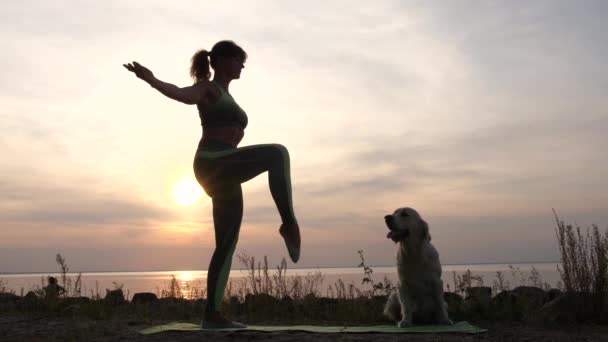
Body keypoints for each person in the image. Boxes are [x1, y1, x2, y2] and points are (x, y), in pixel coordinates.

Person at [124, 40, 301, 329]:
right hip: (213, 161)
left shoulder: (229, 97)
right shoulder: (208, 88)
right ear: (220, 60)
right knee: (277, 153)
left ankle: (213, 314)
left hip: (227, 169)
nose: (242, 65)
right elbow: (181, 94)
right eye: (237, 59)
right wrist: (151, 79)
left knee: (227, 244)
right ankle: (289, 224)